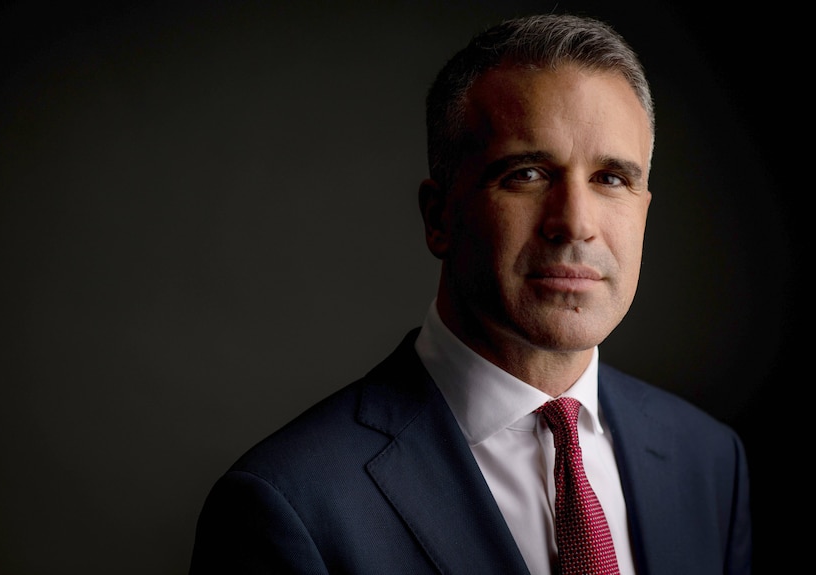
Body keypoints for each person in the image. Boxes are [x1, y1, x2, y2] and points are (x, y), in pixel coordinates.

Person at [189, 13, 751, 575]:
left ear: (644, 212)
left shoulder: (708, 461)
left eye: (610, 179)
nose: (575, 223)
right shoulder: (289, 505)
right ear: (439, 217)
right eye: (527, 174)